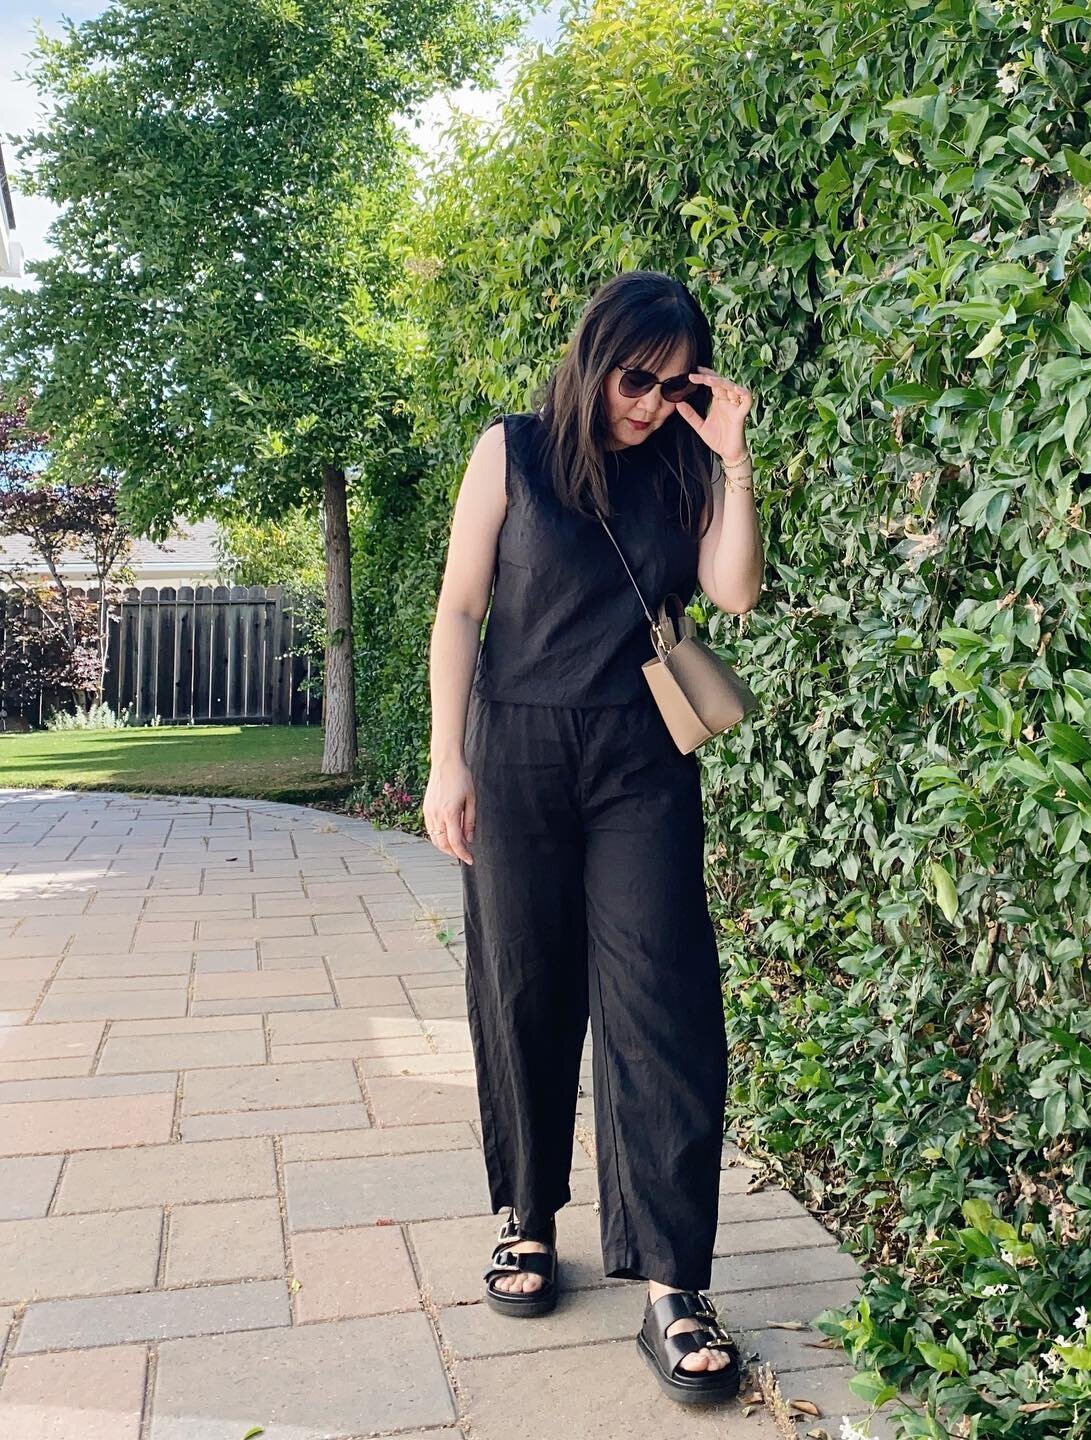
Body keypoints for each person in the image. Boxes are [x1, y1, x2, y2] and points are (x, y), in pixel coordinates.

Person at [422, 269, 763, 1405]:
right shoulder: (510, 452)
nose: (650, 402)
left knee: (661, 1002)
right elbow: (460, 607)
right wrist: (447, 760)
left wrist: (731, 457)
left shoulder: (682, 461)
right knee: (523, 987)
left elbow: (736, 594)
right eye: (635, 379)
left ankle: (674, 1284)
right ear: (590, 356)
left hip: (639, 763)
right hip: (515, 749)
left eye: (674, 386)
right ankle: (525, 1217)